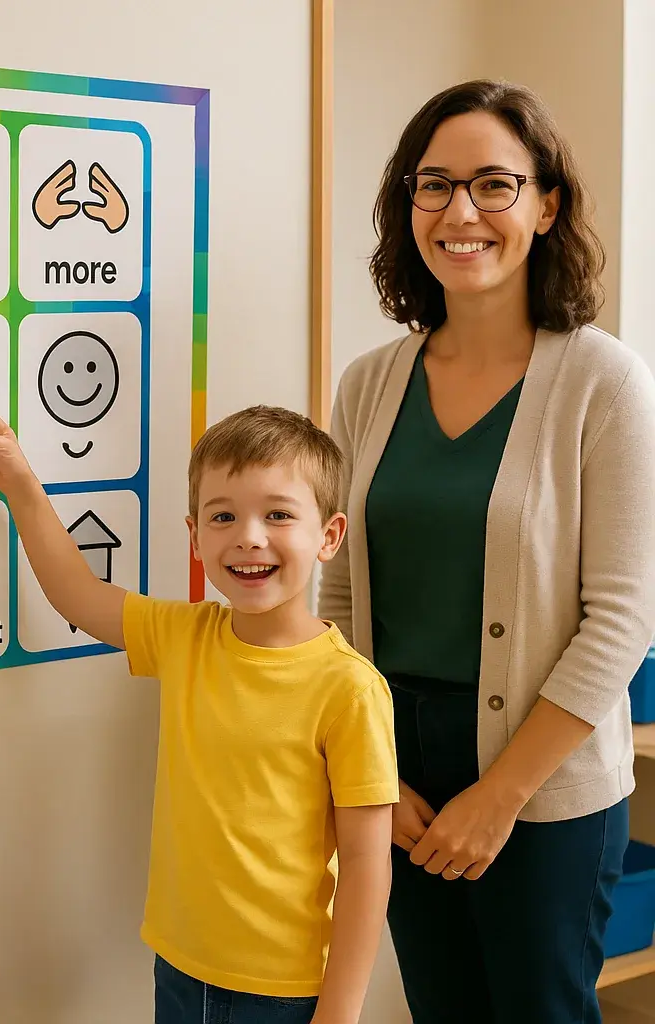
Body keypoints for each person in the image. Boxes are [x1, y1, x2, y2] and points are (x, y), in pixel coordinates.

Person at [318, 79, 655, 1024]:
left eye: (494, 185)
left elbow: (622, 617)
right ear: (408, 206)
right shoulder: (369, 384)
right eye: (435, 185)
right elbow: (341, 594)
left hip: (542, 775)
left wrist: (499, 796)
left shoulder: (605, 382)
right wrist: (375, 769)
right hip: (400, 763)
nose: (461, 212)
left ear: (546, 206)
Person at [0, 383, 399, 1024]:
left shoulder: (349, 688)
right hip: (178, 966)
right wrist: (22, 485)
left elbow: (367, 865)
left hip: (281, 993)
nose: (249, 538)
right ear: (195, 537)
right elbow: (78, 595)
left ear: (329, 536)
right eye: (223, 517)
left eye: (278, 515)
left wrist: (339, 1012)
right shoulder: (184, 637)